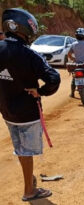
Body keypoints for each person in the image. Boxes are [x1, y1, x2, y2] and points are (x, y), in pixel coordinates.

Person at [0, 8, 61, 201]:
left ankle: (29, 178)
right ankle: (29, 190)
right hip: (28, 114)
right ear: (26, 27)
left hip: (8, 113)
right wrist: (40, 91)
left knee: (20, 150)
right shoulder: (30, 54)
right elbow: (54, 78)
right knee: (25, 152)